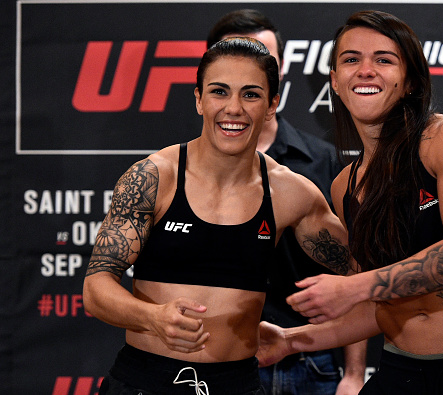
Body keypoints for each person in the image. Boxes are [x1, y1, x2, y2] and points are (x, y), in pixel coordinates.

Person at [256, 10, 443, 395]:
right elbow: (379, 309)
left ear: (408, 81)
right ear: (336, 83)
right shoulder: (345, 186)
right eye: (351, 59)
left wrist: (354, 288)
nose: (366, 70)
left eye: (384, 60)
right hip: (399, 372)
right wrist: (291, 340)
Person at [83, 37, 355, 395]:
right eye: (219, 92)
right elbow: (95, 288)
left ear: (272, 104)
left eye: (251, 94)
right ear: (198, 99)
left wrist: (296, 338)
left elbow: (365, 274)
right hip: (143, 382)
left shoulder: (292, 194)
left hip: (236, 384)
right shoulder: (154, 177)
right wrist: (153, 317)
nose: (234, 108)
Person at [207, 9, 367, 395]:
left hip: (312, 358)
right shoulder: (181, 170)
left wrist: (354, 374)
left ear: (280, 69)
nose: (251, 68)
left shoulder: (323, 160)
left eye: (264, 56)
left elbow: (354, 267)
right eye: (237, 56)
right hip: (218, 359)